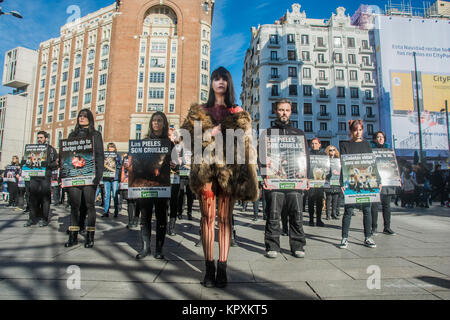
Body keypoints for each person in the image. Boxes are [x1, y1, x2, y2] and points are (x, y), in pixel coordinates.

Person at [181, 66, 258, 288]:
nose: (220, 82)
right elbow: (187, 140)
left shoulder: (237, 112)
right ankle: (209, 267)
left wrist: (250, 173)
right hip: (205, 169)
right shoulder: (199, 111)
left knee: (225, 220)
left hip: (229, 172)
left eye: (224, 78)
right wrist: (210, 133)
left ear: (229, 83)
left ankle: (222, 267)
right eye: (216, 78)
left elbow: (248, 146)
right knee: (207, 219)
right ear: (211, 83)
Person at [262, 99, 308, 260]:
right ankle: (272, 245)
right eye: (281, 110)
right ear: (275, 111)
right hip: (274, 182)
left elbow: (305, 157)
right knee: (273, 214)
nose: (284, 113)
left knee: (297, 214)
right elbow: (262, 158)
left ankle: (298, 245)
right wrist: (264, 178)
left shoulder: (299, 133)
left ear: (291, 112)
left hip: (295, 182)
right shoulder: (267, 133)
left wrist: (306, 177)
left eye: (287, 110)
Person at [135, 112, 174, 260]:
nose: (156, 123)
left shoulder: (169, 144)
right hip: (145, 185)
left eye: (160, 120)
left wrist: (174, 164)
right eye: (154, 120)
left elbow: (175, 165)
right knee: (145, 215)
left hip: (162, 185)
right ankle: (145, 247)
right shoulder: (144, 141)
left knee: (161, 216)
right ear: (151, 123)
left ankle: (159, 248)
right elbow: (138, 163)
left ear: (164, 124)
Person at [64, 109, 104, 248]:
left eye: (84, 116)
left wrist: (98, 176)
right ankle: (73, 235)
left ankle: (90, 235)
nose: (81, 118)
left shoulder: (96, 135)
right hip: (74, 175)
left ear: (90, 119)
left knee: (89, 205)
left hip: (90, 175)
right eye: (80, 116)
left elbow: (100, 156)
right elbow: (66, 155)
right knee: (74, 206)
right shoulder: (72, 134)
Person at [339, 120, 377, 249]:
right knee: (348, 210)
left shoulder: (367, 145)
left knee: (367, 209)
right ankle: (344, 238)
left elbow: (372, 164)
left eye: (360, 130)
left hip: (366, 182)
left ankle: (368, 237)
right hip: (351, 182)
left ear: (363, 130)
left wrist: (379, 181)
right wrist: (342, 183)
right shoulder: (345, 145)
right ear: (351, 131)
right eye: (355, 130)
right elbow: (343, 166)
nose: (358, 132)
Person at [24, 131, 58, 227]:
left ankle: (44, 219)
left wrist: (47, 165)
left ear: (46, 139)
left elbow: (56, 164)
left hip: (45, 177)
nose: (39, 139)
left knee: (45, 198)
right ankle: (31, 218)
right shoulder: (32, 149)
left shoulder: (51, 150)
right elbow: (27, 161)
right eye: (38, 137)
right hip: (34, 176)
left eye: (41, 137)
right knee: (32, 198)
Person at [369, 131, 396, 235]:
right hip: (375, 182)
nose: (380, 139)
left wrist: (397, 178)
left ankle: (387, 227)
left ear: (385, 139)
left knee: (387, 206)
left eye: (382, 137)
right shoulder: (371, 150)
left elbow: (394, 166)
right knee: (374, 206)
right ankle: (374, 227)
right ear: (374, 139)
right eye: (378, 137)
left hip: (387, 181)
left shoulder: (389, 151)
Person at [308, 138, 326, 227]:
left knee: (319, 202)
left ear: (319, 144)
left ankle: (319, 220)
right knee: (311, 201)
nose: (314, 145)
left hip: (320, 182)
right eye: (312, 143)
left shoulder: (323, 155)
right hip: (311, 181)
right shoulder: (308, 154)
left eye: (316, 143)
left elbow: (326, 167)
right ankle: (311, 219)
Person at [101, 143, 122, 218]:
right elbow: (101, 164)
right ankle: (106, 211)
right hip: (106, 177)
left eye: (112, 148)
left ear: (114, 148)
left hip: (114, 178)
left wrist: (116, 165)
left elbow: (120, 165)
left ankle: (116, 211)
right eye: (109, 148)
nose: (110, 149)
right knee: (107, 195)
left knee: (115, 195)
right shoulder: (104, 155)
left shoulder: (118, 155)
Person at [324, 145, 341, 220]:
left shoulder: (338, 160)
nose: (332, 151)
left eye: (333, 150)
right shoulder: (326, 160)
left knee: (335, 198)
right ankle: (328, 214)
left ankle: (334, 213)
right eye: (330, 150)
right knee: (328, 198)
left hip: (336, 181)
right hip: (328, 181)